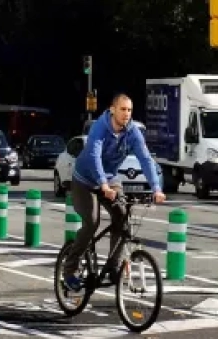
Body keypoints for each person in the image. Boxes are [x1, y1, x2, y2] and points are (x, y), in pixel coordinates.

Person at [62, 93, 166, 292]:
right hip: (84, 180)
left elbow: (145, 159)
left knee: (122, 218)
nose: (126, 114)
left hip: (109, 179)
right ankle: (70, 269)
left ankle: (113, 266)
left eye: (129, 110)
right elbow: (94, 156)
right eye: (122, 109)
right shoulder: (99, 128)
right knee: (92, 222)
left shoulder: (132, 131)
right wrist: (102, 185)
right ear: (112, 109)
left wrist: (156, 188)